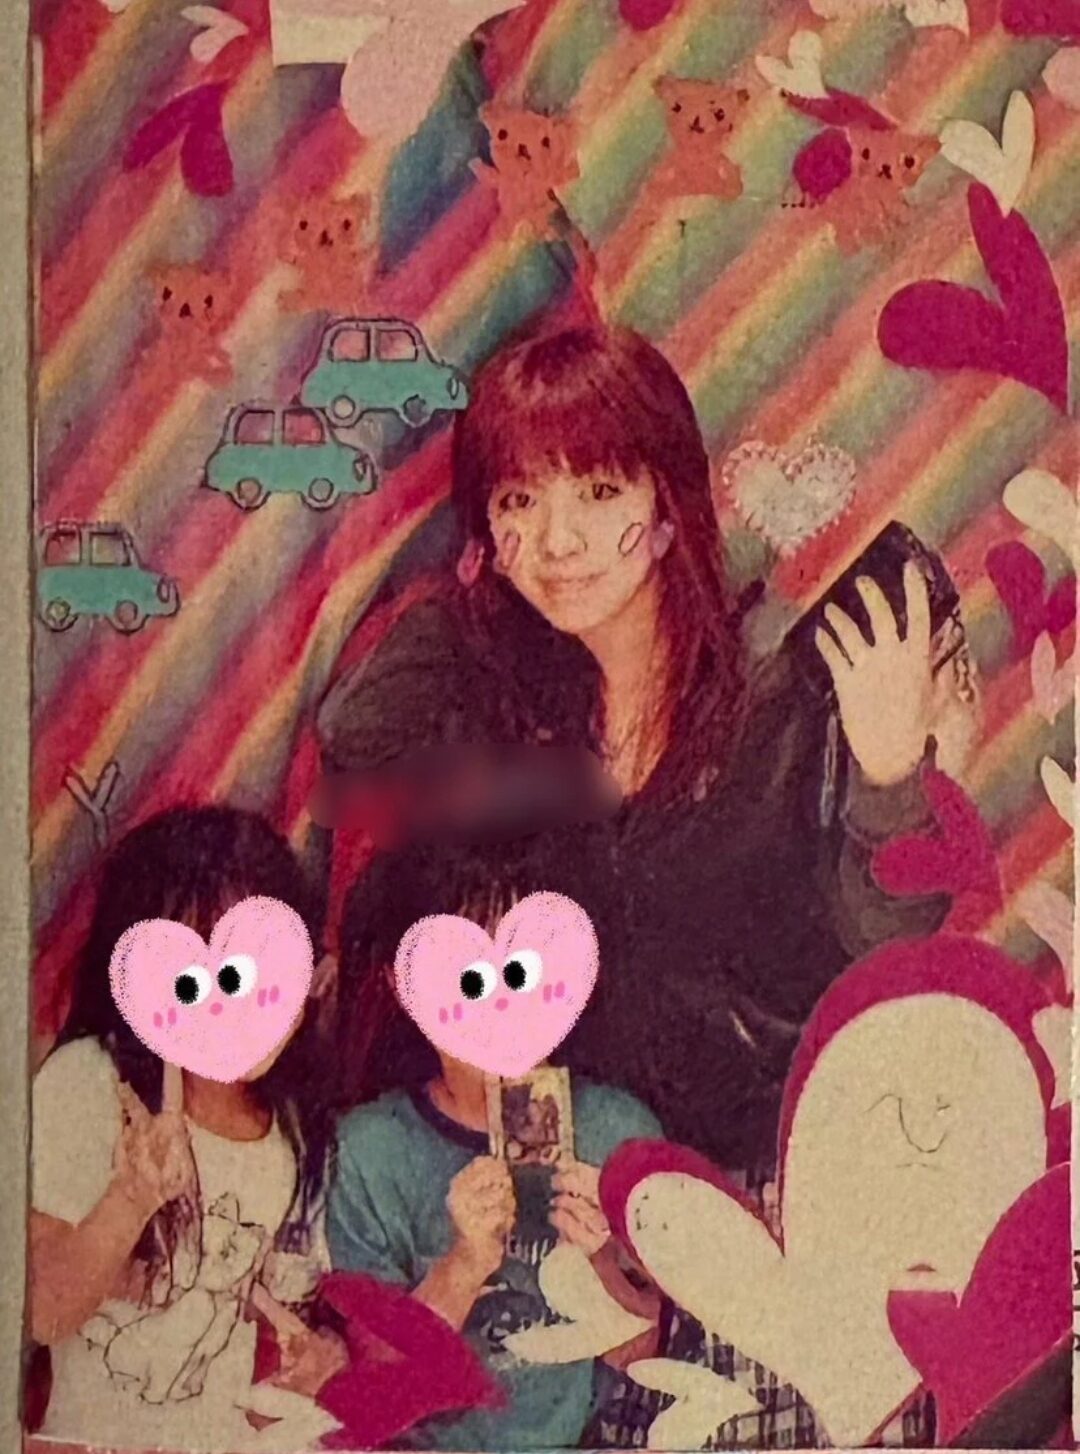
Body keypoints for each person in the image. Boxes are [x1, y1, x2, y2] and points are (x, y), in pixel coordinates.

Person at [316, 321, 980, 1193]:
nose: (558, 541)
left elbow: (888, 937)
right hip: (571, 1184)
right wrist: (468, 608)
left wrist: (892, 779)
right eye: (517, 502)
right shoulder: (499, 692)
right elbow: (349, 728)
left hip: (768, 1165)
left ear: (667, 510)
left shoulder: (782, 688)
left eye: (598, 491)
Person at [28, 806, 346, 1453]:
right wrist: (132, 1198)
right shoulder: (90, 1082)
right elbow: (44, 1312)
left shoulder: (291, 1122)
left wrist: (316, 1350)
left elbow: (234, 1281)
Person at [327, 840, 664, 1451]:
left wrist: (603, 1263)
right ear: (406, 988)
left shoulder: (618, 1132)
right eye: (467, 980)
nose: (502, 1006)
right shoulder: (368, 1152)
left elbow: (642, 1359)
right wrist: (462, 1266)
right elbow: (378, 1388)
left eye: (523, 973)